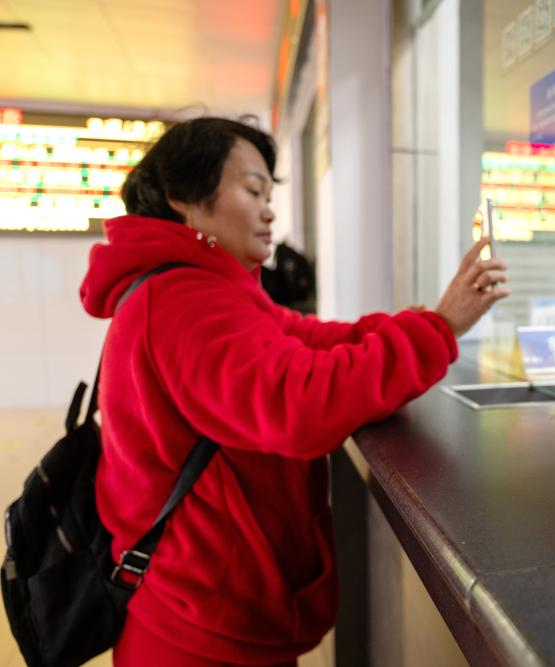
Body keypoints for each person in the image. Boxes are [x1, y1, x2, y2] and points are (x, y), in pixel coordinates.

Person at [79, 117, 509, 666]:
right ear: (183, 198)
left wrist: (426, 324)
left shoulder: (208, 288)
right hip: (197, 631)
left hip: (199, 608)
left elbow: (312, 340)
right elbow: (297, 404)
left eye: (269, 194)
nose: (269, 211)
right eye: (252, 190)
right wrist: (438, 329)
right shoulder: (185, 298)